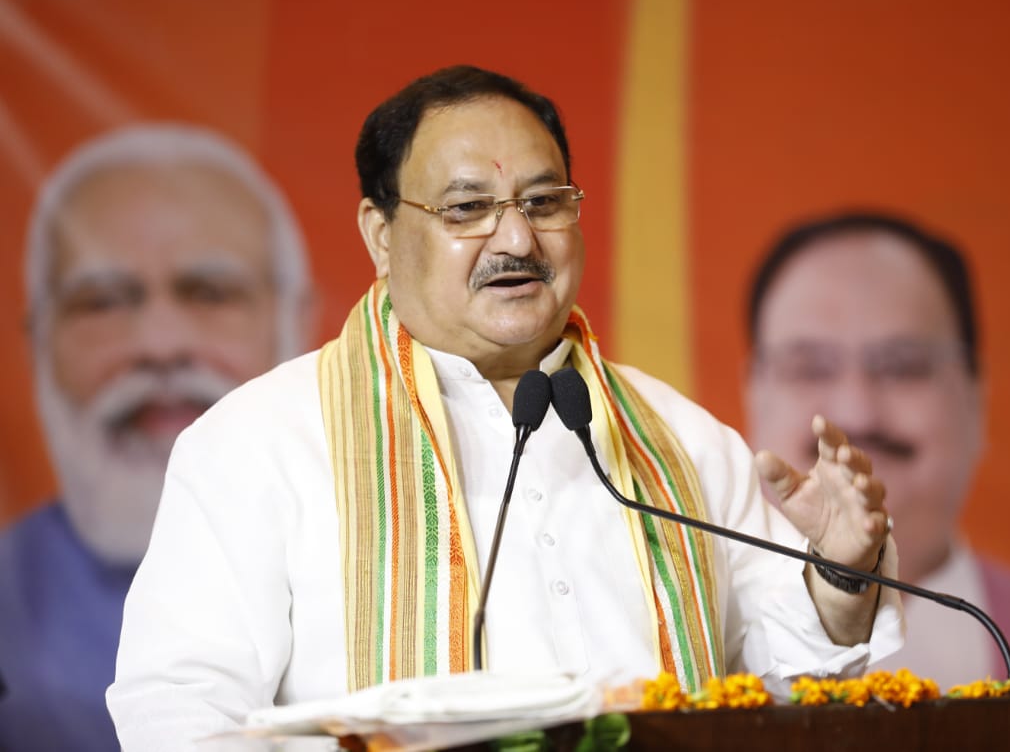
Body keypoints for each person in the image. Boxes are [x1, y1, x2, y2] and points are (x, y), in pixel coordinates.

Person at [107, 66, 905, 749]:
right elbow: (178, 714)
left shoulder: (685, 444)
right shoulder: (259, 443)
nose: (518, 240)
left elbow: (790, 697)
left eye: (545, 201)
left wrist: (838, 577)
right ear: (380, 236)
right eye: (467, 209)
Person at [0, 124, 312, 751]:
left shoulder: (392, 560)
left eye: (210, 293)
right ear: (38, 342)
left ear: (297, 321)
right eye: (103, 302)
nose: (160, 344)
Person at [744, 212, 1010, 689]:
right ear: (753, 393)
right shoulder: (664, 656)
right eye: (810, 367)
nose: (856, 413)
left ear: (976, 396)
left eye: (903, 367)